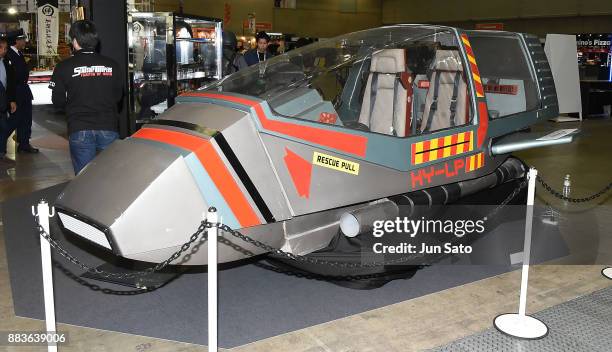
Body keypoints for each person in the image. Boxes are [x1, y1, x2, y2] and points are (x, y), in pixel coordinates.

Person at [49, 20, 124, 174]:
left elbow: (57, 101)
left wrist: (72, 107)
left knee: (84, 177)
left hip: (79, 126)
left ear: (75, 41)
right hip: (108, 125)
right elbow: (118, 95)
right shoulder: (112, 65)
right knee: (111, 175)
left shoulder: (63, 67)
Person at [8, 29, 38, 154]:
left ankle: (24, 144)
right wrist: (11, 98)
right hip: (16, 92)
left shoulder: (19, 53)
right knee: (14, 120)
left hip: (24, 91)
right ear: (16, 41)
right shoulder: (9, 54)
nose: (25, 41)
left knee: (26, 119)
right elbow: (11, 77)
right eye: (22, 39)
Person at [0, 36, 18, 166]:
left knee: (4, 127)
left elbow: (10, 83)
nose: (4, 51)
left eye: (5, 48)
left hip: (3, 101)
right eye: (1, 48)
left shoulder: (6, 62)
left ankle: (2, 154)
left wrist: (11, 100)